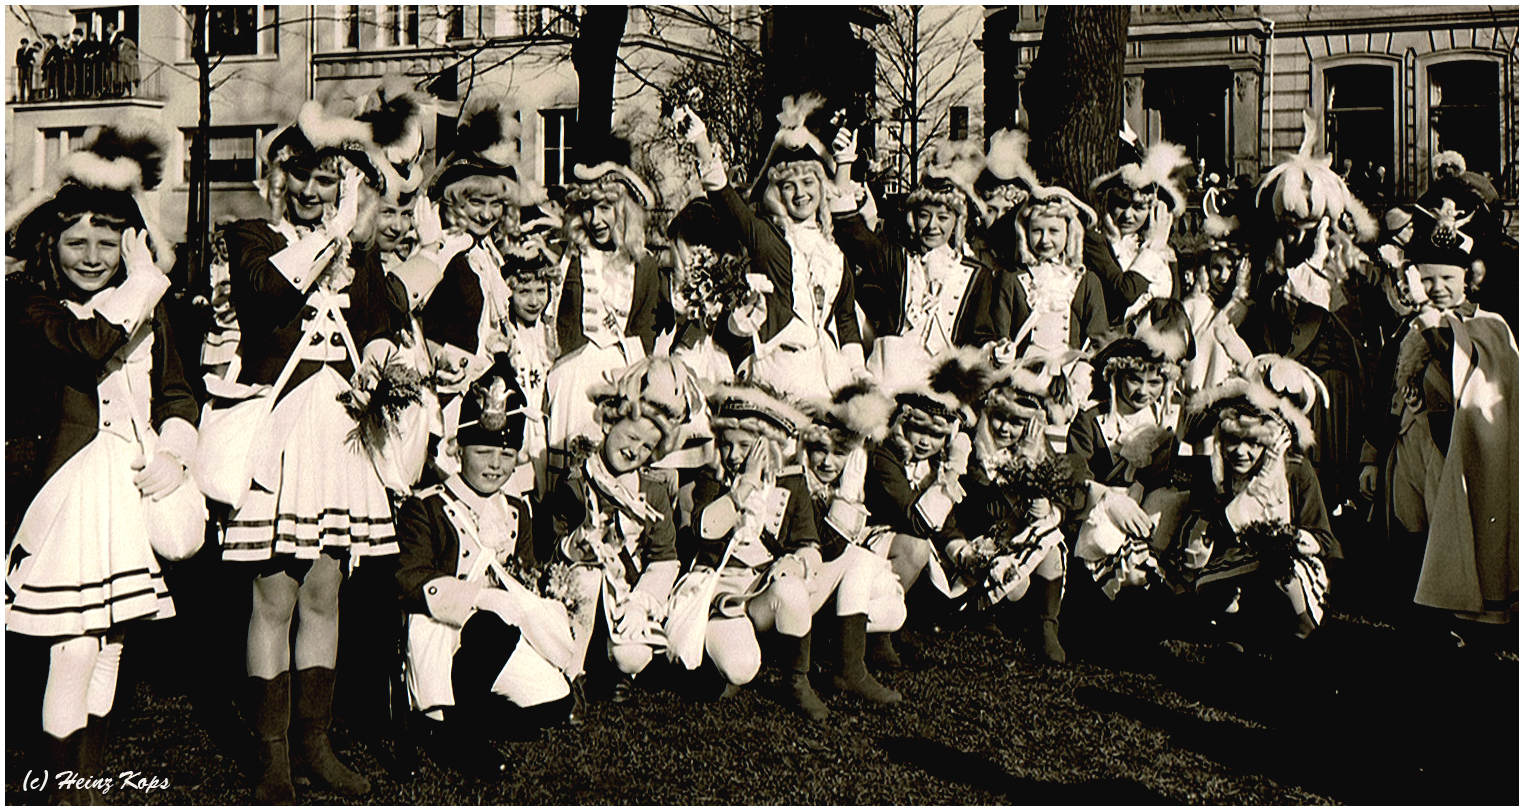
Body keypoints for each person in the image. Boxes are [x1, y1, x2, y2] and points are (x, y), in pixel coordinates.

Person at [217, 100, 407, 802]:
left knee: (325, 590)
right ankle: (270, 753)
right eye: (298, 173)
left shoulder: (363, 250)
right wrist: (332, 233)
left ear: (345, 183)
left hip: (339, 430)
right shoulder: (251, 236)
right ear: (278, 176)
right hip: (280, 429)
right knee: (275, 592)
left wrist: (379, 365)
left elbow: (380, 323)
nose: (309, 189)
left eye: (326, 178)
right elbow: (266, 295)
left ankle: (315, 745)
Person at [6, 126, 201, 804]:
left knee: (111, 640)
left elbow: (177, 389)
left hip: (127, 489)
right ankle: (63, 793)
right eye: (75, 242)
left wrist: (177, 452)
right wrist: (145, 282)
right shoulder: (28, 306)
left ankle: (88, 783)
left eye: (108, 240)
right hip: (64, 491)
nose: (93, 257)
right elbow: (88, 345)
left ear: (132, 240)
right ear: (48, 247)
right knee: (73, 644)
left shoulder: (147, 302)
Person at [396, 359, 575, 777]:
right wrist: (481, 598)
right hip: (443, 633)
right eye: (483, 451)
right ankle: (460, 737)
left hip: (501, 635)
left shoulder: (517, 509)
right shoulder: (428, 506)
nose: (495, 464)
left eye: (506, 453)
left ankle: (451, 719)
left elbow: (527, 573)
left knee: (555, 702)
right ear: (459, 449)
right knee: (488, 628)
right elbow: (409, 581)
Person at [683, 381, 903, 720]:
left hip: (764, 598)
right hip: (723, 595)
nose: (734, 455)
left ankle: (816, 676)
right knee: (740, 668)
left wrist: (797, 563)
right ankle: (721, 661)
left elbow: (810, 545)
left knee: (843, 564)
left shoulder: (790, 479)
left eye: (745, 445)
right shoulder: (714, 480)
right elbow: (705, 530)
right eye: (727, 444)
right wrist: (744, 488)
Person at [675, 97, 868, 403]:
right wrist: (701, 142)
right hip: (776, 366)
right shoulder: (766, 236)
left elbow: (845, 318)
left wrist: (857, 369)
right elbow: (726, 202)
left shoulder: (832, 250)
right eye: (789, 185)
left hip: (825, 372)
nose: (801, 193)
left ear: (821, 187)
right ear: (776, 192)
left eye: (809, 182)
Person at [545, 357, 702, 719]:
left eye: (647, 447)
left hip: (625, 591)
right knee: (587, 579)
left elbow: (664, 558)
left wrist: (641, 601)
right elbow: (551, 547)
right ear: (610, 423)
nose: (634, 451)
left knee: (634, 654)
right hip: (580, 589)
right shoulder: (575, 480)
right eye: (631, 437)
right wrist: (575, 546)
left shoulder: (653, 489)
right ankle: (572, 676)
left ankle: (616, 668)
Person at [1385, 225, 1517, 639]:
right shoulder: (1412, 325)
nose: (1436, 287)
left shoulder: (1488, 326)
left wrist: (1426, 313)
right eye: (1427, 279)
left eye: (1446, 279)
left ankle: (1456, 620)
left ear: (1467, 279)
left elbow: (1456, 358)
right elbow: (1387, 388)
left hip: (1456, 449)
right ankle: (1419, 616)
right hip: (1412, 441)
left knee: (1452, 531)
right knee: (1412, 527)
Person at [1175, 356, 1342, 649]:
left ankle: (1304, 631)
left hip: (1287, 569)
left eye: (1253, 443)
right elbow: (1222, 526)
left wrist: (1292, 538)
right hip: (1236, 570)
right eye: (1232, 441)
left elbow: (1323, 537)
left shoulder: (1296, 471)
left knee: (1285, 572)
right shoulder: (1218, 474)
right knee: (1211, 583)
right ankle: (1234, 631)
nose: (1241, 452)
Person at [543, 137, 673, 490]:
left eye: (604, 208)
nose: (594, 219)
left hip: (620, 382)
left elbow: (645, 329)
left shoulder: (644, 264)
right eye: (587, 209)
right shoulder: (564, 255)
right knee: (568, 479)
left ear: (626, 207)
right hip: (571, 379)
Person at [836, 138, 1007, 392]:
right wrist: (843, 165)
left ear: (957, 221)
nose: (932, 226)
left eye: (943, 217)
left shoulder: (976, 274)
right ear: (912, 218)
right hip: (891, 377)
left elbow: (979, 333)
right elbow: (851, 233)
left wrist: (995, 351)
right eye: (924, 215)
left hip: (943, 385)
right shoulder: (896, 259)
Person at [952, 352, 1088, 663]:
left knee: (1051, 542)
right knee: (1027, 566)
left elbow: (1068, 494)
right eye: (999, 417)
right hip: (978, 543)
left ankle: (1046, 625)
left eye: (1017, 423)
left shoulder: (1035, 449)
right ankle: (983, 612)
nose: (1005, 429)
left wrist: (1051, 508)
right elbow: (983, 506)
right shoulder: (971, 450)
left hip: (1018, 545)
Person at [1085, 127, 1192, 319]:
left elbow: (1174, 305)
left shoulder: (1167, 251)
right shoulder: (1096, 242)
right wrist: (1152, 248)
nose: (1128, 216)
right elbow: (1125, 293)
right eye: (1121, 205)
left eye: (1138, 208)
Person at [995, 179, 1109, 354]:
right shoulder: (1011, 279)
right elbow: (1000, 334)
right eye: (1037, 231)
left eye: (1054, 231)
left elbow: (1098, 340)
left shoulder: (1087, 282)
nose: (1045, 240)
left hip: (1069, 374)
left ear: (1070, 232)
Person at [16, 37, 33, 102]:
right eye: (24, 44)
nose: (25, 45)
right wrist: (19, 64)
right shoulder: (19, 51)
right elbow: (17, 60)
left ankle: (30, 95)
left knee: (29, 82)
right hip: (22, 68)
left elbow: (31, 58)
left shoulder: (29, 51)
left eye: (26, 44)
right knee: (21, 82)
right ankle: (21, 96)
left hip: (28, 68)